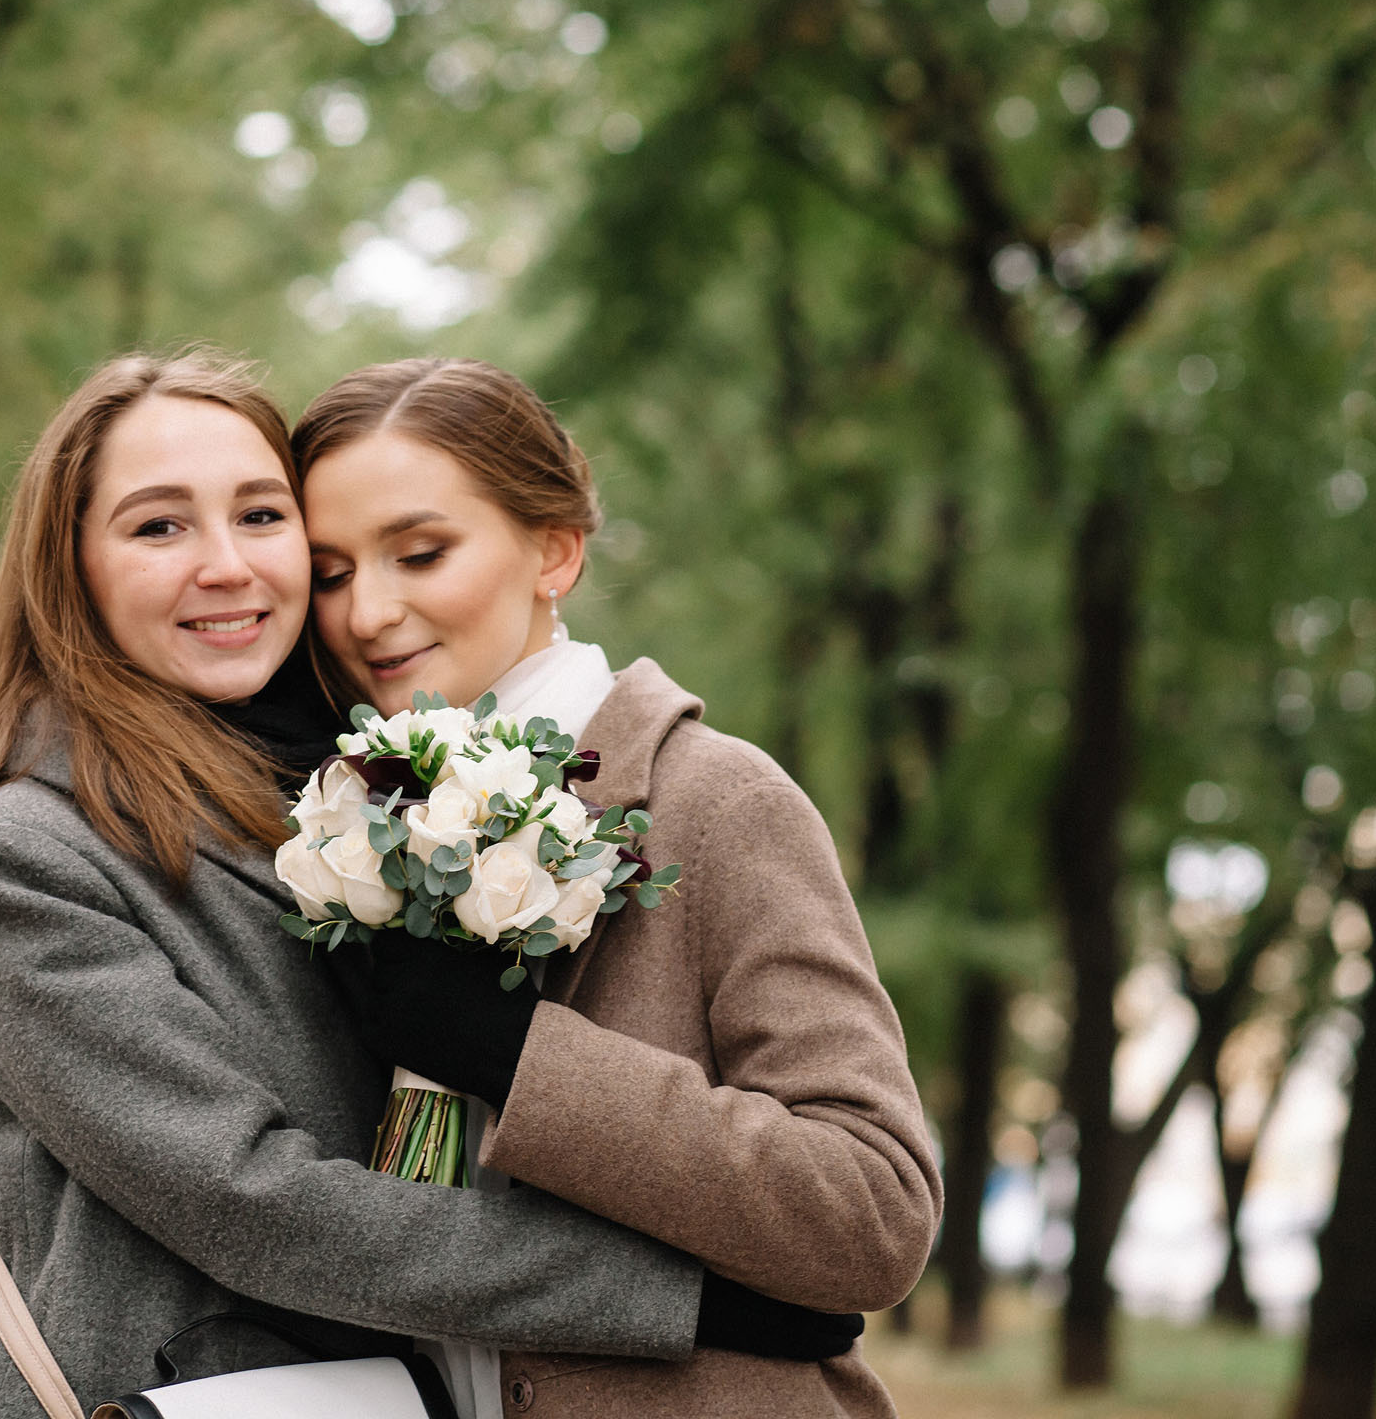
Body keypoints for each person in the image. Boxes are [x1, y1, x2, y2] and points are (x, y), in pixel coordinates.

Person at [0, 352, 856, 1419]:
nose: (226, 564)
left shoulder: (361, 801)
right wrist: (675, 1297)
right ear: (69, 572)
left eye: (263, 518)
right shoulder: (34, 857)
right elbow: (252, 1198)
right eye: (158, 526)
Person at [295, 356, 942, 1418]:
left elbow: (875, 1213)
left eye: (421, 551)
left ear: (555, 549)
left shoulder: (718, 801)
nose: (368, 611)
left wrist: (516, 1057)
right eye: (329, 573)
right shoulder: (335, 831)